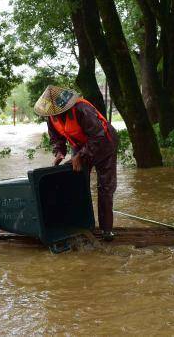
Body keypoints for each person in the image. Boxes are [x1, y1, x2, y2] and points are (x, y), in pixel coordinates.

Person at [33, 85, 118, 241]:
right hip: (81, 146)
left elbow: (98, 135)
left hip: (105, 144)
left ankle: (107, 230)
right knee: (76, 183)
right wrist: (59, 152)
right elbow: (56, 138)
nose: (56, 115)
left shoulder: (82, 109)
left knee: (105, 187)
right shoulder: (51, 117)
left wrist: (80, 155)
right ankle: (81, 225)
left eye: (59, 111)